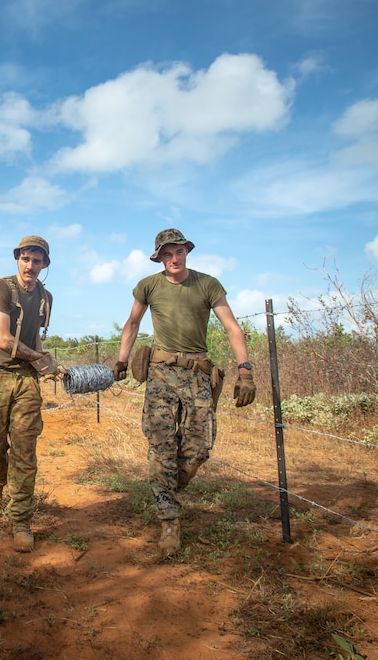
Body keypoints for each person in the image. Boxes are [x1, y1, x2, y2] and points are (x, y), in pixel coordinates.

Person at [112, 228, 256, 558]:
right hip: (161, 372)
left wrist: (244, 370)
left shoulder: (208, 284)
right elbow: (132, 323)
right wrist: (121, 360)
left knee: (200, 446)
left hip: (198, 373)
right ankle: (169, 521)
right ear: (159, 258)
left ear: (186, 252)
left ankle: (166, 486)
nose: (173, 259)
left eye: (178, 252)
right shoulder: (148, 285)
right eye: (166, 254)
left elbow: (232, 326)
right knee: (162, 445)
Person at [0, 235, 60, 553]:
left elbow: (34, 338)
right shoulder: (1, 289)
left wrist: (48, 366)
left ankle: (21, 520)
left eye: (37, 261)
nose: (31, 265)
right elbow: (3, 340)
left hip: (24, 378)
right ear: (17, 259)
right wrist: (39, 358)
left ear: (44, 265)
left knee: (25, 449)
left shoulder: (45, 297)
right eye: (26, 258)